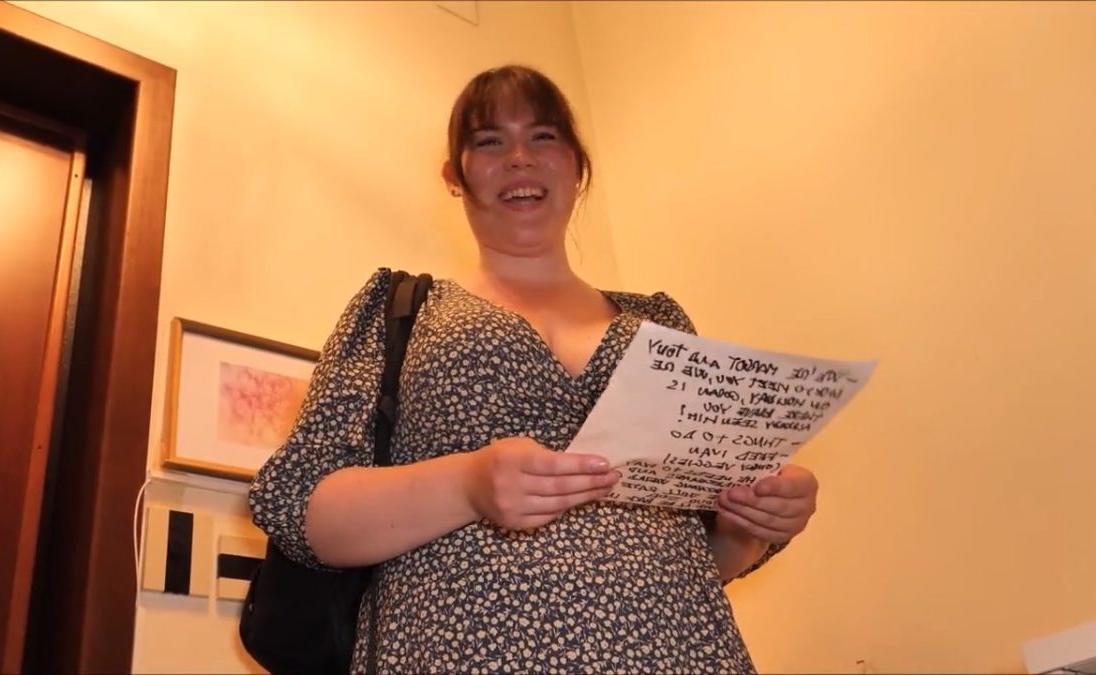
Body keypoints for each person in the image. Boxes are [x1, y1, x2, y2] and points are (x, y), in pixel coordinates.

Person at [248, 64, 819, 673]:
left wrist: (749, 526)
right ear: (455, 176)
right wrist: (468, 483)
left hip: (683, 651)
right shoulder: (403, 308)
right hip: (459, 653)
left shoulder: (660, 323)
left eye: (543, 136)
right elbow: (303, 512)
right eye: (490, 141)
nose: (519, 157)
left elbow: (700, 559)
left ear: (578, 166)